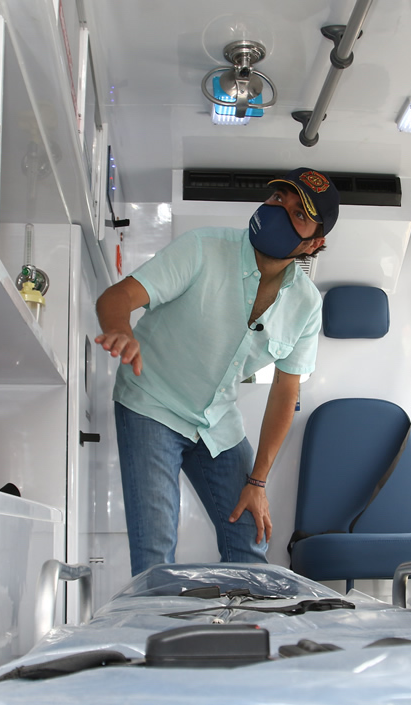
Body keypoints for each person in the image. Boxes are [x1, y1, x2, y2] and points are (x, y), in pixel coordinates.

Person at [96, 168, 339, 577]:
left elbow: (284, 393)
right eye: (279, 199)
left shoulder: (307, 304)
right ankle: (155, 635)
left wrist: (257, 483)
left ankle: (241, 636)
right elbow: (117, 297)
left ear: (314, 242)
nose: (280, 212)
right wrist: (121, 329)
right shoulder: (203, 248)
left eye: (298, 214)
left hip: (216, 422)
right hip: (152, 403)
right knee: (155, 552)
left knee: (250, 540)